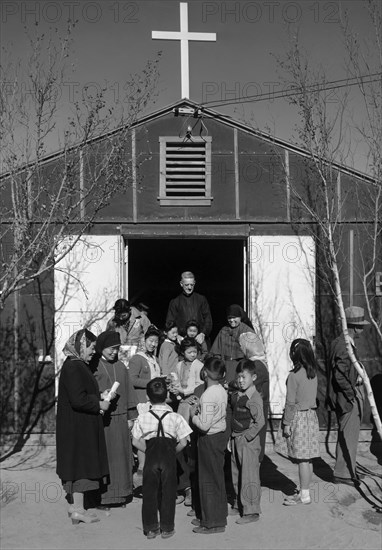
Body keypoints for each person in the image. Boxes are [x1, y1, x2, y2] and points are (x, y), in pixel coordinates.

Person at [56, 329, 112, 524]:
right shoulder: (73, 366)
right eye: (91, 347)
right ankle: (78, 510)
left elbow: (81, 393)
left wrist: (99, 396)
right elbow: (78, 399)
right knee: (80, 466)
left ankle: (76, 508)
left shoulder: (78, 365)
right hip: (77, 427)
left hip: (79, 425)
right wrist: (98, 403)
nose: (93, 352)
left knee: (79, 464)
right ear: (80, 346)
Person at [131, 377, 193, 540]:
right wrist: (172, 451)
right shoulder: (175, 417)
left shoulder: (143, 417)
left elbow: (135, 441)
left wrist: (149, 450)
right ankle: (167, 528)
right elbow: (184, 441)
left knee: (149, 493)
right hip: (168, 458)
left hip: (151, 458)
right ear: (166, 396)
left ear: (147, 397)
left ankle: (151, 528)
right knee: (168, 493)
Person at [93, 330, 138, 509]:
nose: (113, 352)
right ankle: (103, 497)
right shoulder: (94, 365)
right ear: (102, 347)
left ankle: (121, 494)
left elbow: (128, 390)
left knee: (122, 458)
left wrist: (131, 416)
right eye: (110, 348)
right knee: (107, 459)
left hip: (120, 420)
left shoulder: (121, 366)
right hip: (104, 421)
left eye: (116, 349)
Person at [328, 306, 369, 485]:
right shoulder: (344, 345)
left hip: (348, 395)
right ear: (353, 326)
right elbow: (339, 375)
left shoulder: (344, 342)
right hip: (347, 398)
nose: (362, 329)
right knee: (348, 435)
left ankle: (347, 470)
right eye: (360, 325)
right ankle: (343, 473)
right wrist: (352, 394)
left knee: (349, 435)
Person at [275, 339, 320, 505]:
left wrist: (286, 423)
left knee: (301, 459)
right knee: (308, 459)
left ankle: (304, 495)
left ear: (294, 354)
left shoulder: (294, 376)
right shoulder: (313, 373)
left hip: (298, 418)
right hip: (311, 417)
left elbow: (290, 402)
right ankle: (304, 491)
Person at [190, 356, 228, 535]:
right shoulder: (221, 390)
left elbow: (204, 425)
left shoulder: (207, 394)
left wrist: (193, 415)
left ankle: (212, 522)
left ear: (204, 373)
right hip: (219, 436)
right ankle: (215, 515)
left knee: (208, 481)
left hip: (209, 439)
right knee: (217, 477)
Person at [229, 359, 265, 523]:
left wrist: (247, 436)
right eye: (239, 377)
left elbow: (260, 422)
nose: (240, 380)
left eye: (244, 377)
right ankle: (238, 504)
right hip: (236, 438)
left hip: (247, 441)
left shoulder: (254, 397)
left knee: (249, 475)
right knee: (236, 473)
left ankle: (251, 511)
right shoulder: (238, 395)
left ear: (254, 377)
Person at [129, 325, 161, 487]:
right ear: (144, 340)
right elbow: (131, 379)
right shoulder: (138, 358)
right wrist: (152, 383)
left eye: (156, 342)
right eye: (151, 341)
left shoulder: (154, 359)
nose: (153, 344)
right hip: (143, 403)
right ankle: (141, 472)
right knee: (142, 437)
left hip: (154, 403)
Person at [210, 304, 266, 383]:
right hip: (225, 368)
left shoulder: (247, 331)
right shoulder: (223, 330)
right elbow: (216, 352)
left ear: (240, 317)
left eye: (234, 317)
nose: (232, 320)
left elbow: (255, 355)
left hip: (240, 368)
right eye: (229, 318)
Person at [166, 271, 212, 345]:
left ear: (194, 283)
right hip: (182, 341)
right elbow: (170, 322)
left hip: (199, 340)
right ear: (181, 284)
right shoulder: (175, 302)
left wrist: (203, 333)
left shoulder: (201, 299)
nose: (189, 287)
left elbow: (208, 319)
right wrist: (176, 335)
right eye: (187, 285)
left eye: (192, 285)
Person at [106, 298, 151, 366]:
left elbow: (150, 336)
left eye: (123, 315)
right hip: (120, 358)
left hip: (139, 356)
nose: (121, 318)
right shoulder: (112, 322)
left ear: (129, 310)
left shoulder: (142, 318)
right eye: (119, 315)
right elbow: (108, 341)